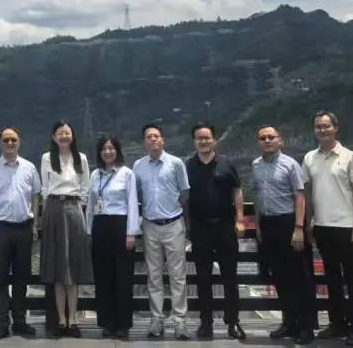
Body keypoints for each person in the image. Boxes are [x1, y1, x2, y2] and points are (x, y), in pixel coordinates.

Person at [302, 111, 353, 346]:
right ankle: (337, 323)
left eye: (326, 126)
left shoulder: (350, 157)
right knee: (331, 278)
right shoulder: (310, 158)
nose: (322, 130)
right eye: (318, 126)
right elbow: (307, 192)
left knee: (352, 278)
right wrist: (308, 222)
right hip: (321, 226)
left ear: (336, 128)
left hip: (346, 226)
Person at [252, 125, 316, 345]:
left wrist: (299, 227)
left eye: (271, 137)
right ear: (258, 142)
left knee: (299, 276)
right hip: (267, 224)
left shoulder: (290, 164)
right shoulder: (256, 165)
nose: (267, 141)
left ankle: (306, 327)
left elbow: (300, 196)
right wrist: (258, 226)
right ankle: (289, 322)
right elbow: (258, 196)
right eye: (263, 138)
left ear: (280, 140)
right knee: (279, 276)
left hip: (288, 223)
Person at [184, 123, 246, 341]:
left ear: (214, 139)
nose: (203, 141)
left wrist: (240, 219)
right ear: (194, 141)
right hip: (200, 228)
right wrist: (186, 225)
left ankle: (233, 321)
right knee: (203, 278)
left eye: (207, 137)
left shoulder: (227, 163)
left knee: (230, 277)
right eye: (199, 138)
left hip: (225, 226)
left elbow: (237, 191)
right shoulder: (188, 166)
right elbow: (184, 198)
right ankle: (206, 322)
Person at [0, 127, 41, 340]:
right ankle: (2, 324)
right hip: (1, 228)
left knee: (22, 278)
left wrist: (35, 223)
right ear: (0, 143)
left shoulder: (29, 168)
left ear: (19, 142)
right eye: (6, 140)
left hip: (24, 227)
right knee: (0, 279)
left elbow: (36, 195)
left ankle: (20, 321)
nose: (9, 143)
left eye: (13, 140)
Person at [133, 122, 191, 339]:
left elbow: (185, 192)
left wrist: (173, 209)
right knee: (154, 275)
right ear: (144, 142)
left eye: (156, 136)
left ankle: (180, 321)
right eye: (149, 137)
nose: (153, 139)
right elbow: (137, 194)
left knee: (178, 276)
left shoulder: (176, 163)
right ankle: (156, 319)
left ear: (163, 140)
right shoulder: (138, 166)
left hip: (174, 224)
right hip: (150, 225)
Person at [39, 120, 94, 338]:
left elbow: (86, 188)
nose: (64, 136)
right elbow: (44, 188)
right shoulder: (46, 158)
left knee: (73, 265)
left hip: (74, 209)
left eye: (67, 132)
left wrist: (78, 208)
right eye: (60, 133)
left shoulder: (81, 158)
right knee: (58, 266)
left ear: (73, 136)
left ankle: (73, 319)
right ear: (53, 137)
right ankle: (61, 320)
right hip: (53, 208)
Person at [85, 135, 139, 339]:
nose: (108, 152)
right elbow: (90, 205)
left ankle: (123, 324)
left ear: (117, 151)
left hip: (120, 225)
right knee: (103, 277)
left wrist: (131, 232)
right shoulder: (95, 175)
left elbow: (132, 203)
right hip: (100, 226)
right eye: (104, 149)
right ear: (100, 153)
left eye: (111, 148)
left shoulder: (127, 174)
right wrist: (89, 231)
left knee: (123, 277)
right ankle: (107, 323)